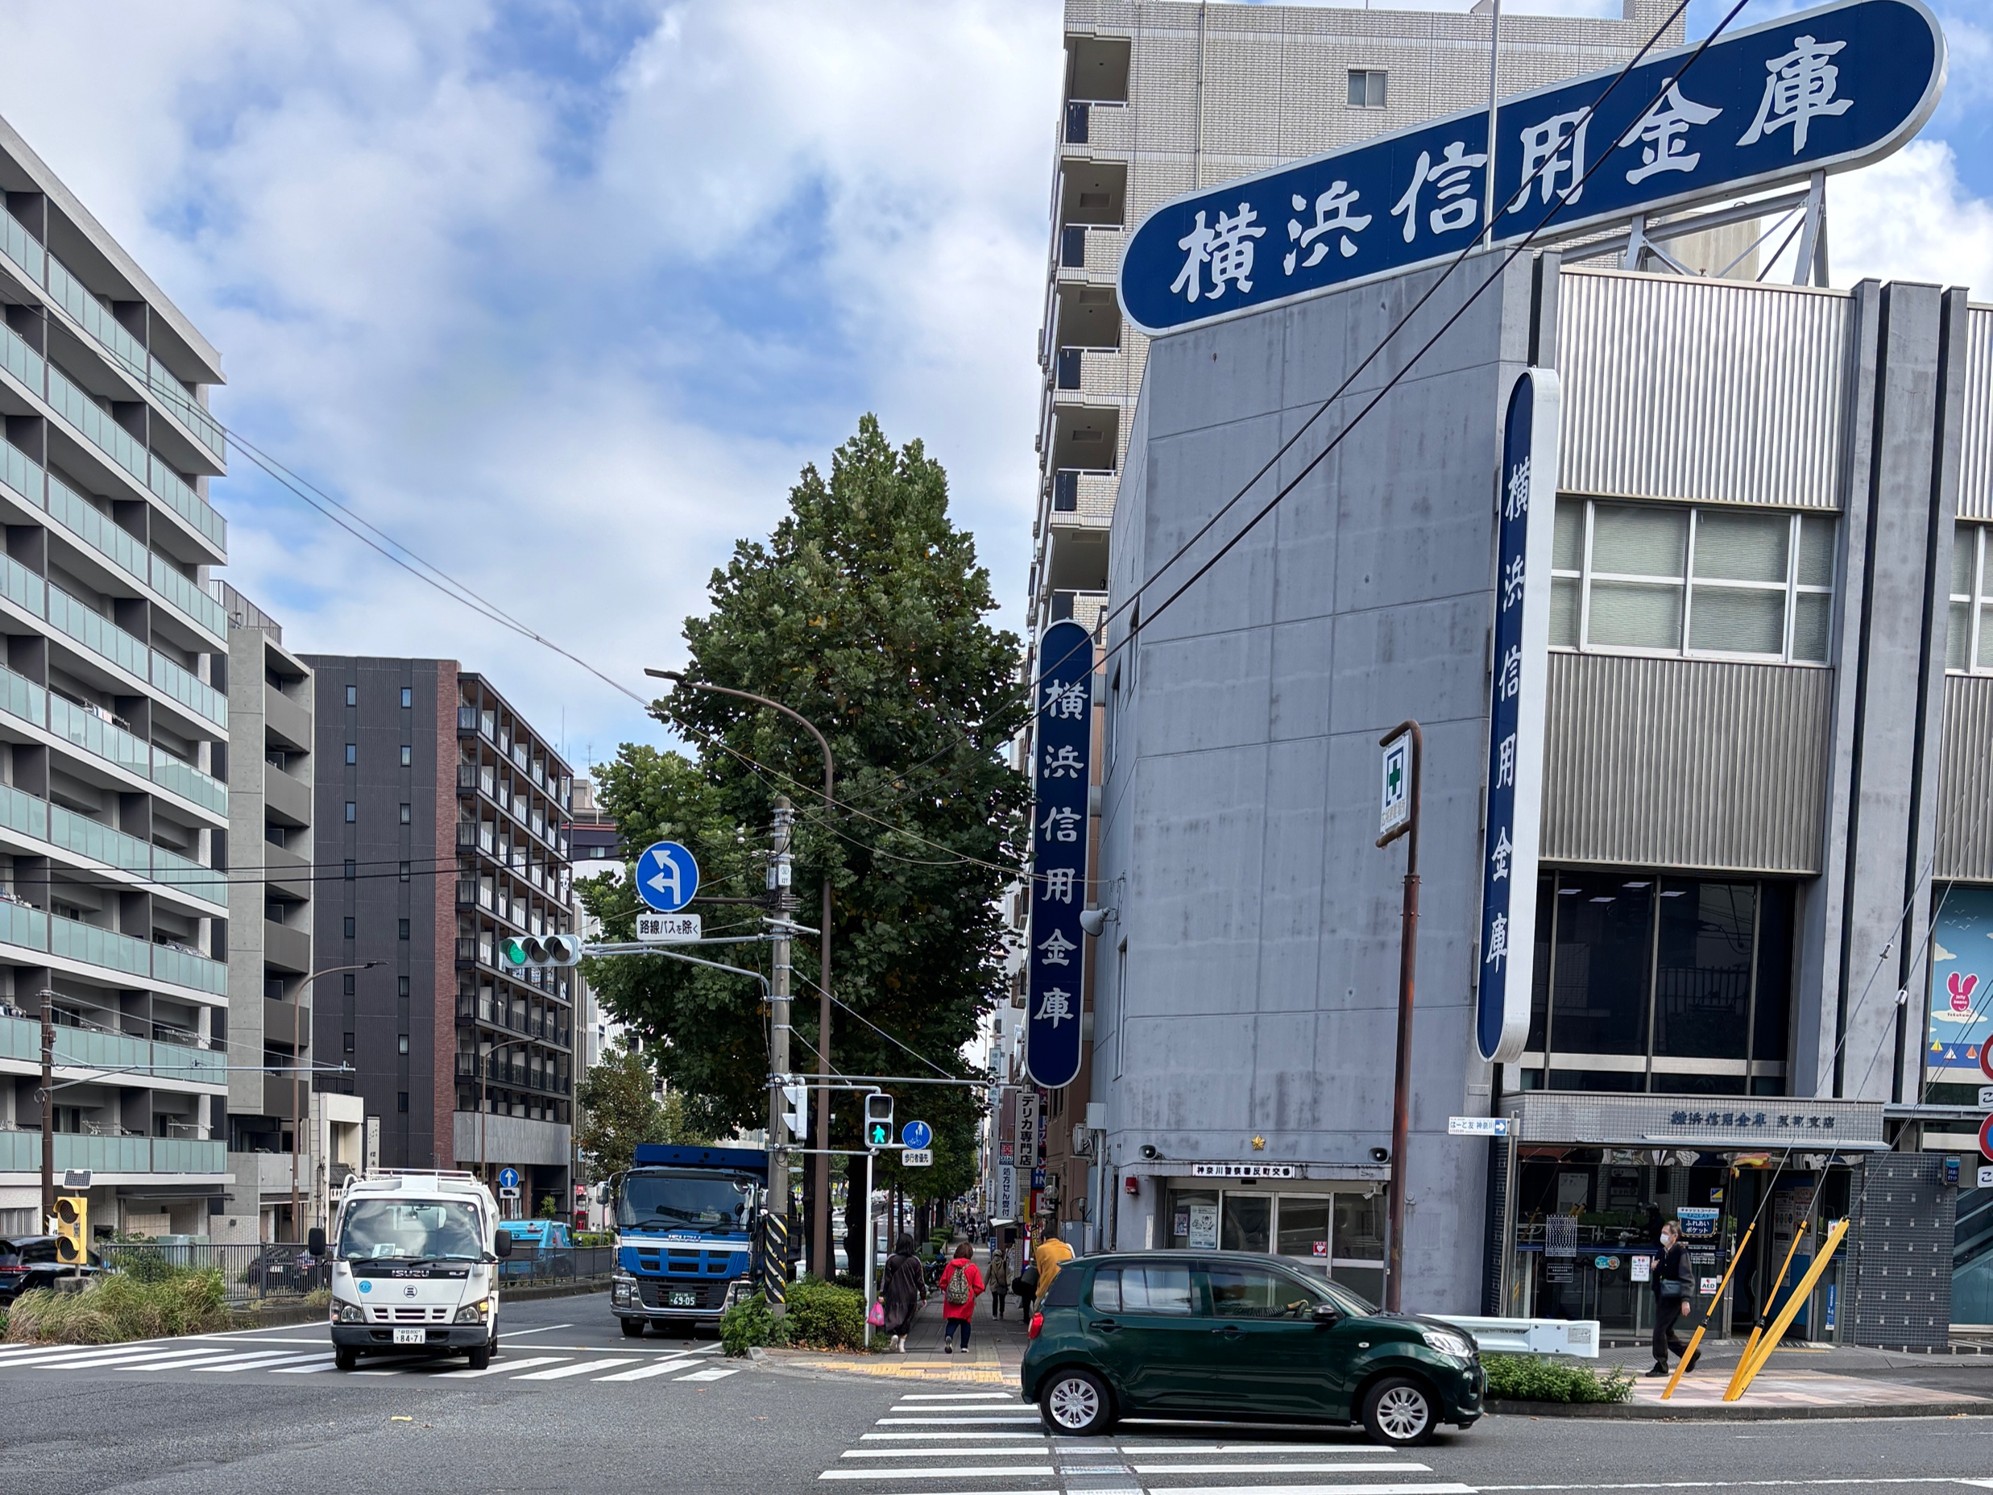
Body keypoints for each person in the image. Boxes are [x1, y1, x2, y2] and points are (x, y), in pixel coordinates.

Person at [1649, 1218, 1698, 1377]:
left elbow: (1686, 1277)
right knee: (1667, 1332)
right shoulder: (1662, 1252)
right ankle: (1689, 1355)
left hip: (1674, 1297)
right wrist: (1654, 1268)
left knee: (1659, 1331)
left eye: (1665, 1233)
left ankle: (1661, 1364)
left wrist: (1685, 1300)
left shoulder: (1680, 1252)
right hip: (1663, 1296)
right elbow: (1660, 1274)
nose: (1662, 1236)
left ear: (1674, 1236)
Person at [880, 1234, 926, 1354]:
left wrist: (882, 1294)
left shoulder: (891, 1259)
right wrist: (923, 1295)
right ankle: (901, 1345)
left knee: (892, 1316)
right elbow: (920, 1281)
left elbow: (886, 1279)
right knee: (906, 1319)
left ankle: (893, 1335)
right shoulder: (915, 1261)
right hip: (910, 1294)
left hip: (894, 1293)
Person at [937, 1241, 986, 1353]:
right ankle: (964, 1346)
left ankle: (949, 1337)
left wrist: (949, 1291)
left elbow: (942, 1283)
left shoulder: (950, 1265)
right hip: (966, 1300)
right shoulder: (973, 1267)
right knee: (965, 1323)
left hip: (951, 1300)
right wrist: (972, 1294)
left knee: (952, 1322)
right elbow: (980, 1286)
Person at [1032, 1218, 1076, 1305]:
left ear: (1044, 1238)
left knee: (1037, 1308)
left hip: (1047, 1288)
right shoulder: (1066, 1247)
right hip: (1065, 1289)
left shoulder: (1041, 1249)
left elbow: (1040, 1270)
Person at [986, 1238, 1012, 1318]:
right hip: (994, 1285)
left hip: (1002, 1285)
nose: (996, 1257)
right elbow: (987, 1276)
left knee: (1002, 1300)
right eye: (995, 1255)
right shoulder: (991, 1265)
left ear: (1000, 1256)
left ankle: (1001, 1312)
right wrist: (983, 1285)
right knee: (995, 1300)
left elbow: (1008, 1274)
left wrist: (1008, 1284)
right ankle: (994, 1314)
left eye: (998, 1255)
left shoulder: (1004, 1264)